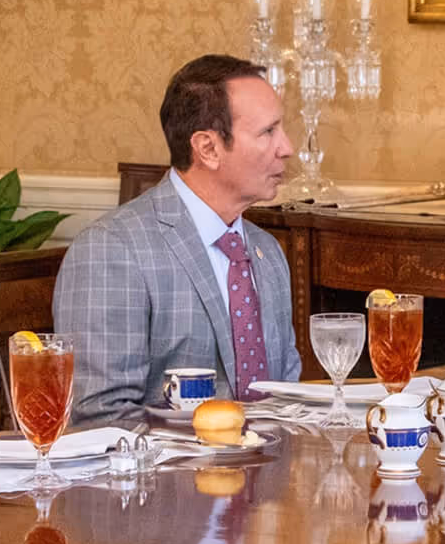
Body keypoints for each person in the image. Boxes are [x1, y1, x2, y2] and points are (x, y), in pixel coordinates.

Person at [53, 55, 300, 426]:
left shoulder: (267, 251)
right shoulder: (111, 249)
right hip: (169, 466)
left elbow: (288, 397)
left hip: (273, 460)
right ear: (208, 148)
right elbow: (99, 417)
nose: (287, 147)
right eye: (268, 132)